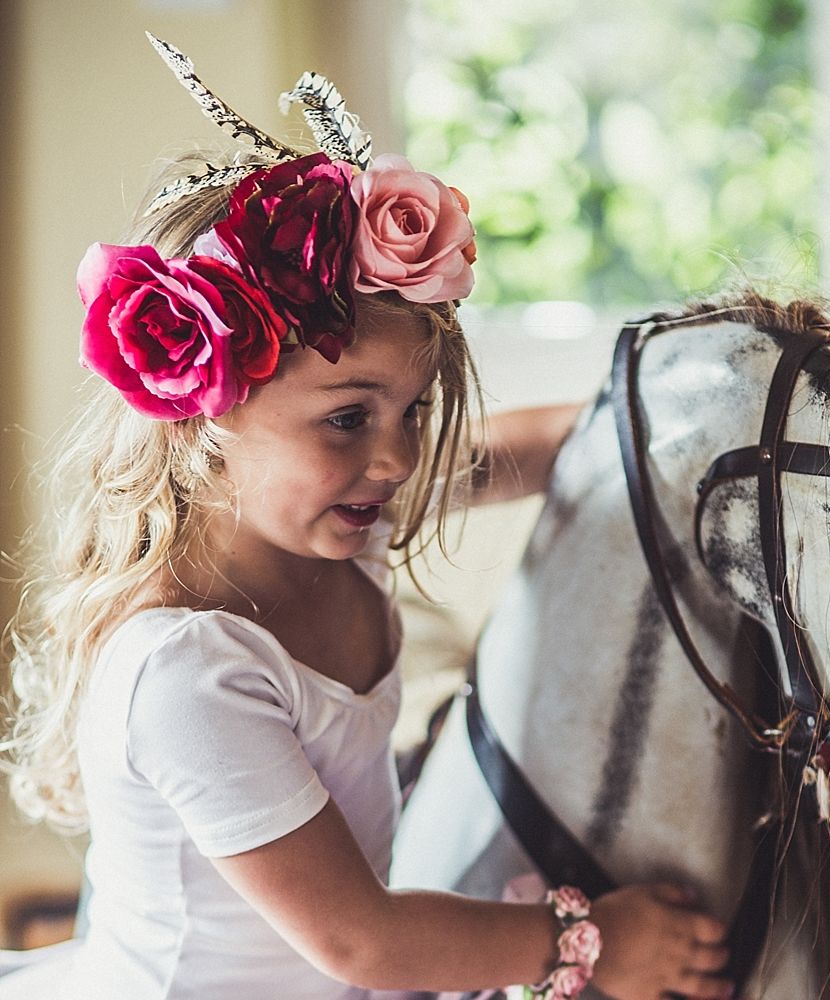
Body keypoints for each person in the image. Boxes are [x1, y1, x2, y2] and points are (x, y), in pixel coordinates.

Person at [0, 36, 733, 1000]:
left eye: (414, 410)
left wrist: (707, 405)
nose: (395, 459)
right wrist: (596, 941)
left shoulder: (341, 514)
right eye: (347, 416)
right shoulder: (185, 668)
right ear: (207, 416)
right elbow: (362, 943)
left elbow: (559, 441)